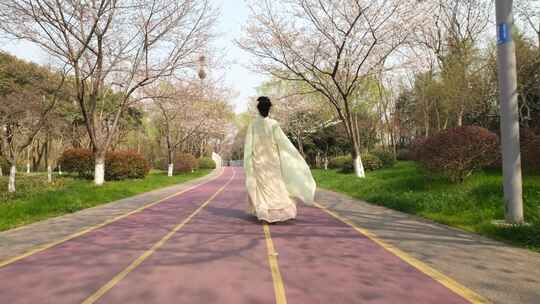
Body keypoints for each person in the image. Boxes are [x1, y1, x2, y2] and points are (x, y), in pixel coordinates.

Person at [243, 96, 316, 223]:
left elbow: (248, 146)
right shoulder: (274, 124)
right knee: (276, 185)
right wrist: (294, 155)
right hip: (273, 161)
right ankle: (279, 210)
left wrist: (247, 163)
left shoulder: (253, 125)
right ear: (269, 109)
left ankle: (264, 212)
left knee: (262, 188)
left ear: (258, 109)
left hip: (258, 162)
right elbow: (283, 143)